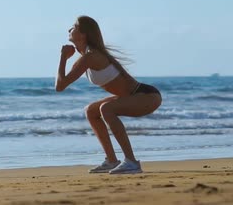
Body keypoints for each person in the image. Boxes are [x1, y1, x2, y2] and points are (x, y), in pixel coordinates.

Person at [55, 16, 162, 174]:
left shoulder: (91, 57)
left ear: (84, 34)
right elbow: (61, 85)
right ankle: (111, 160)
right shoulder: (86, 57)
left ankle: (131, 162)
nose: (69, 29)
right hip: (133, 97)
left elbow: (60, 85)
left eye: (74, 26)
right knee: (91, 111)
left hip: (146, 96)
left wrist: (63, 57)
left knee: (106, 108)